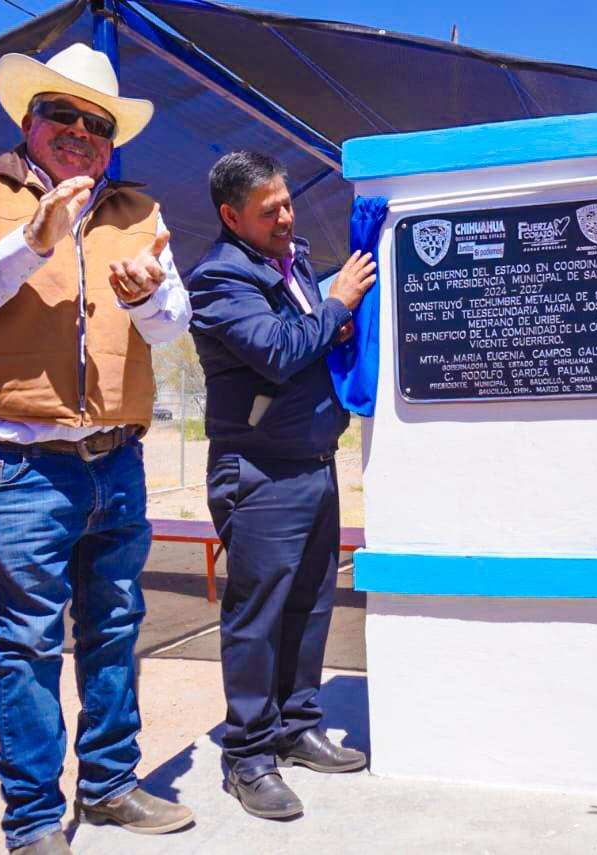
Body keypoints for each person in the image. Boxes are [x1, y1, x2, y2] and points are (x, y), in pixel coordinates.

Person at [0, 44, 194, 854]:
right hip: (16, 462)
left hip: (117, 457)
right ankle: (32, 821)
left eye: (96, 123)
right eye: (60, 113)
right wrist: (27, 243)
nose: (78, 131)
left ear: (110, 139)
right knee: (28, 642)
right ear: (28, 120)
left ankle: (109, 786)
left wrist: (149, 299)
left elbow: (175, 323)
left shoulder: (139, 210)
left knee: (115, 626)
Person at [187, 152, 377, 820]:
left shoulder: (288, 263)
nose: (287, 217)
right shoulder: (217, 279)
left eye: (288, 202)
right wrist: (336, 304)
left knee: (311, 604)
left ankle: (298, 726)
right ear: (231, 215)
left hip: (311, 463)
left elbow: (307, 338)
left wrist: (329, 320)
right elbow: (275, 348)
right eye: (270, 211)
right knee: (257, 618)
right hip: (261, 472)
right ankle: (247, 756)